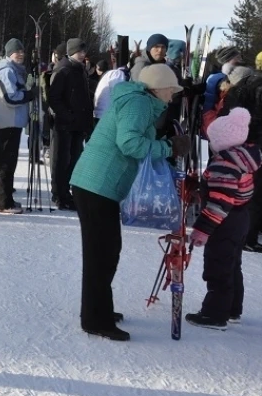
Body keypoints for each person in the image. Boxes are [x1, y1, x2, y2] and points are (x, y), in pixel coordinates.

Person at [70, 63, 191, 341]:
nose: (173, 94)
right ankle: (95, 319)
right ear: (159, 87)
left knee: (107, 252)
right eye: (171, 89)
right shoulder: (139, 105)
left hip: (100, 186)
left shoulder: (142, 104)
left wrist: (164, 142)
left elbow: (136, 138)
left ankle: (99, 310)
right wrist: (168, 148)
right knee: (101, 254)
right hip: (96, 186)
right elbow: (129, 144)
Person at [186, 107, 262, 330]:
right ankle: (232, 309)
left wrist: (202, 230)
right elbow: (226, 192)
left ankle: (214, 314)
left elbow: (220, 203)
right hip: (240, 218)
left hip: (225, 222)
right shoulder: (242, 158)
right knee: (232, 264)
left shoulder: (224, 165)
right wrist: (200, 189)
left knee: (218, 265)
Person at [219, 68, 262, 253]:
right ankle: (248, 236)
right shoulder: (258, 87)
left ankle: (245, 232)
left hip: (241, 144)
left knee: (246, 189)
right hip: (256, 143)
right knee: (256, 191)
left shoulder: (240, 87)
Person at [48, 38, 93, 211]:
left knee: (74, 160)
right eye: (79, 51)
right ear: (71, 51)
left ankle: (68, 193)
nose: (82, 54)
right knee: (62, 161)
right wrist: (67, 115)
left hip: (78, 125)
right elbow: (54, 98)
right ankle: (59, 194)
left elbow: (84, 97)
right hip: (65, 124)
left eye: (83, 51)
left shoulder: (80, 69)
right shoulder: (64, 70)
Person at [0, 38, 35, 214]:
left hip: (13, 122)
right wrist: (28, 95)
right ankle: (3, 203)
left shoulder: (15, 71)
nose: (20, 54)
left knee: (9, 162)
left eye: (22, 51)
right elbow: (10, 97)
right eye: (17, 51)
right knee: (6, 163)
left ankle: (7, 198)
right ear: (9, 53)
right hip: (7, 122)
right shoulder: (6, 71)